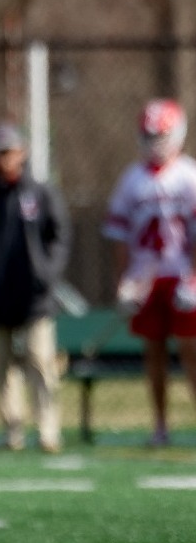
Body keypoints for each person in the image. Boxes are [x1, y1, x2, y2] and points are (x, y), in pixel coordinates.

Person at [0, 123, 70, 452]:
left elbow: (59, 236)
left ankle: (48, 430)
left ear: (22, 153)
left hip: (35, 298)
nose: (6, 159)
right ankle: (12, 431)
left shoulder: (41, 193)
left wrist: (46, 274)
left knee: (40, 361)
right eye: (0, 153)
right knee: (2, 366)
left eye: (11, 151)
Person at [103, 99, 196, 447]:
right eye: (149, 136)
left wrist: (194, 277)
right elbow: (120, 236)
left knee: (191, 349)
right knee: (153, 352)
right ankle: (160, 425)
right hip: (146, 280)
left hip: (182, 274)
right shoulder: (131, 180)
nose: (154, 143)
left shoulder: (188, 176)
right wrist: (125, 280)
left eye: (161, 136)